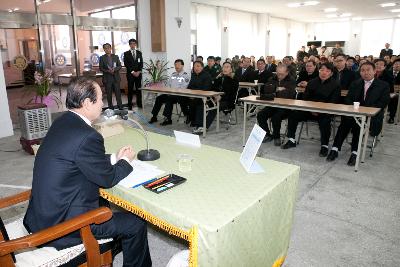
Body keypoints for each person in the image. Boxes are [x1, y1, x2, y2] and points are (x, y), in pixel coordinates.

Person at [23, 78, 152, 266]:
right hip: (62, 226)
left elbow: (79, 158)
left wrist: (114, 158)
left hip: (42, 215)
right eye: (100, 99)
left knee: (104, 204)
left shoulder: (63, 121)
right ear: (86, 103)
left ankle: (108, 251)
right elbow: (108, 178)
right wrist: (125, 162)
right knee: (135, 223)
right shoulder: (88, 135)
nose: (103, 103)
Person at [326, 62, 390, 165]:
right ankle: (335, 148)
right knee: (345, 122)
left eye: (368, 70)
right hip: (354, 113)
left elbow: (383, 103)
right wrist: (355, 109)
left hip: (371, 116)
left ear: (374, 71)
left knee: (358, 126)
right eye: (363, 70)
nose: (365, 72)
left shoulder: (383, 85)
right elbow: (348, 99)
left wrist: (364, 112)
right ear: (360, 73)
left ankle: (355, 152)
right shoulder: (355, 83)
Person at [282, 63, 341, 157]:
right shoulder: (312, 82)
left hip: (325, 111)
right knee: (293, 114)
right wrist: (311, 109)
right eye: (322, 70)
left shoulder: (335, 85)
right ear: (319, 71)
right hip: (309, 110)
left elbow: (333, 102)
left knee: (325, 121)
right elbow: (305, 98)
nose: (324, 73)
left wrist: (318, 110)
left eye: (327, 71)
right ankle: (291, 140)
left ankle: (324, 145)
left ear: (331, 73)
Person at [257, 64, 296, 146]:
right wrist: (277, 89)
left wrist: (273, 92)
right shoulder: (272, 78)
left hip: (286, 106)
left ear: (287, 72)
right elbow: (265, 90)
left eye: (281, 74)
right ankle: (267, 134)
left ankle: (276, 137)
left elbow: (289, 95)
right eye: (278, 73)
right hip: (272, 105)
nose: (279, 76)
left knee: (276, 117)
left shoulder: (291, 80)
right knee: (260, 115)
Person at [148, 59, 190, 126]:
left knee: (169, 100)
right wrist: (167, 91)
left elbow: (183, 88)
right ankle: (154, 116)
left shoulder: (185, 76)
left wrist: (172, 92)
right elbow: (168, 85)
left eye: (178, 64)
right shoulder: (173, 75)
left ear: (182, 66)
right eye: (175, 64)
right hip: (170, 94)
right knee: (159, 98)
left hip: (179, 95)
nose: (177, 66)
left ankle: (168, 119)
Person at [204, 62, 239, 130]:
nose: (225, 68)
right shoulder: (221, 77)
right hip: (218, 98)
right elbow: (213, 88)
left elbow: (229, 93)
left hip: (228, 101)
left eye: (227, 67)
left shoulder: (234, 79)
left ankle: (204, 127)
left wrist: (219, 97)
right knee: (202, 103)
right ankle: (198, 123)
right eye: (224, 67)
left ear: (231, 69)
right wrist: (217, 78)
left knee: (215, 106)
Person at [187, 61, 212, 133]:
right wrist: (190, 94)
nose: (196, 68)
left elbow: (205, 89)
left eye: (198, 66)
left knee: (197, 103)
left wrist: (194, 94)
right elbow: (189, 86)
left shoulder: (207, 76)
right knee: (181, 99)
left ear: (202, 67)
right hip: (193, 95)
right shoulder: (193, 75)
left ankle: (197, 123)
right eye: (194, 66)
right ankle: (190, 117)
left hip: (203, 96)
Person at [99, 43, 123, 110]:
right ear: (104, 49)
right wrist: (107, 71)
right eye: (105, 48)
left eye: (108, 48)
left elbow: (119, 66)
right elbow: (101, 68)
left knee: (118, 94)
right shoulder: (102, 58)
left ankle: (120, 107)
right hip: (107, 79)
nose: (107, 49)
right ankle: (111, 108)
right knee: (109, 95)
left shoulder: (116, 56)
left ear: (110, 48)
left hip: (116, 78)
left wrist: (114, 69)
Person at [124, 38, 143, 109]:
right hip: (130, 75)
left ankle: (139, 103)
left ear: (136, 44)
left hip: (138, 74)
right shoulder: (126, 53)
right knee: (130, 90)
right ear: (129, 45)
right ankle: (129, 105)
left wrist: (139, 71)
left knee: (138, 89)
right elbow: (126, 64)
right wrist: (133, 72)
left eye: (134, 43)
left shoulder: (139, 53)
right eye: (131, 43)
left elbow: (141, 63)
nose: (132, 45)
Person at [388, 58, 400, 123]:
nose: (397, 65)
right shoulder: (387, 72)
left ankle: (391, 117)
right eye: (396, 64)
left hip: (397, 93)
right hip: (387, 91)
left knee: (395, 100)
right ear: (393, 65)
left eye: (399, 64)